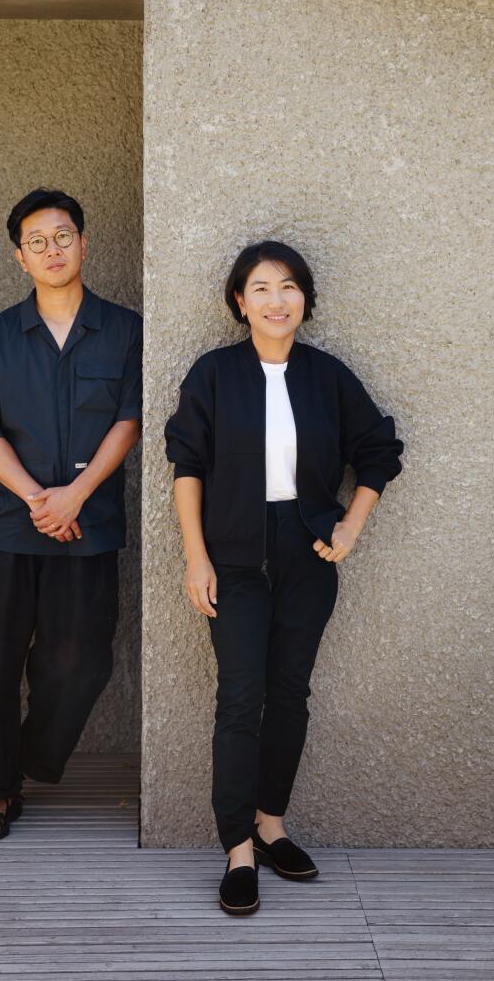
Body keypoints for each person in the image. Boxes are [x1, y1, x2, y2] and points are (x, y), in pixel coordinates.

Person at [164, 240, 403, 914]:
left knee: (290, 693)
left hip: (307, 557)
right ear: (240, 302)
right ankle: (238, 847)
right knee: (241, 696)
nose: (276, 299)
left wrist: (352, 525)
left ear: (305, 299)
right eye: (261, 288)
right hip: (233, 557)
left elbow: (380, 451)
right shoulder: (213, 374)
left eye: (289, 286)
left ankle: (271, 825)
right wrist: (196, 556)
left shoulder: (328, 376)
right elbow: (187, 466)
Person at [0, 188, 142, 840]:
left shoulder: (125, 331)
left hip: (89, 525)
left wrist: (75, 495)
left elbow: (129, 421)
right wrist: (39, 498)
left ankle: (25, 758)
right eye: (38, 242)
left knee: (81, 660)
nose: (52, 250)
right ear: (19, 258)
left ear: (84, 244)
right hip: (12, 524)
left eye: (63, 236)